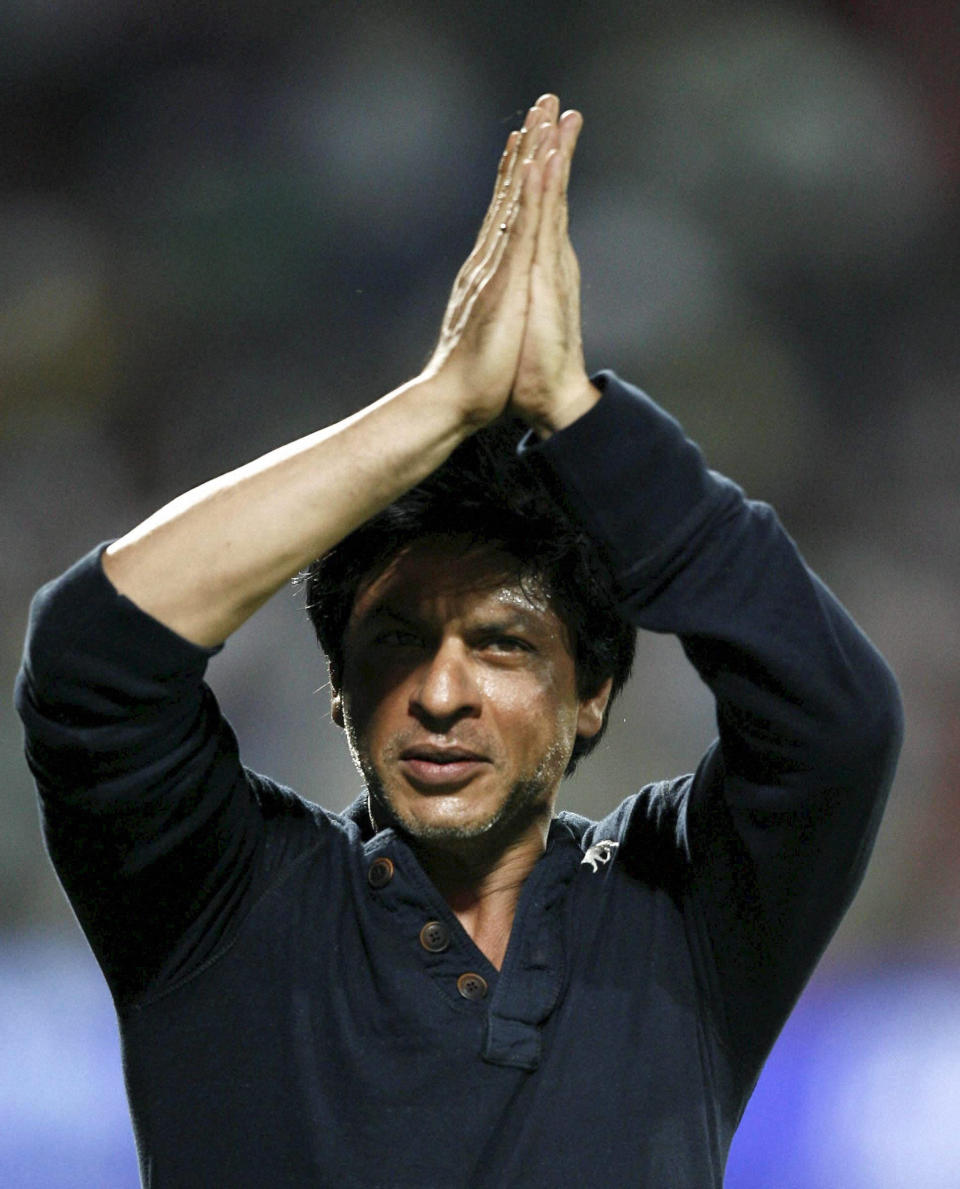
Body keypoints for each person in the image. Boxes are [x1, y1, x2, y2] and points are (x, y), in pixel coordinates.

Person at [15, 95, 902, 1188]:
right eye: (395, 641)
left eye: (503, 644)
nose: (442, 691)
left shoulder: (683, 921)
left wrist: (581, 416)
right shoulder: (222, 908)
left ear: (595, 695)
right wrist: (437, 406)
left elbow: (836, 719)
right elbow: (93, 656)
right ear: (337, 687)